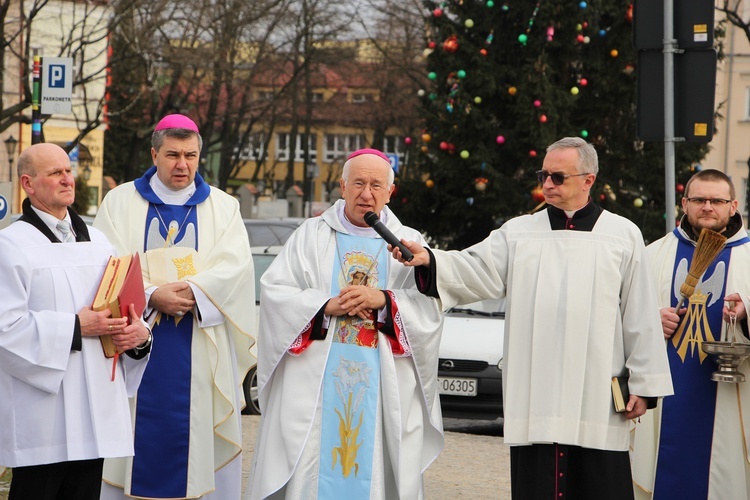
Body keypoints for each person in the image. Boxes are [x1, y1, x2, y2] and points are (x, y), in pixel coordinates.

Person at [390, 137, 674, 500]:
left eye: (558, 176)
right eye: (543, 175)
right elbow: (475, 268)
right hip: (536, 388)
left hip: (597, 390)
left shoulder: (622, 235)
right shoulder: (519, 232)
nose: (547, 185)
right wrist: (430, 259)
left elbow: (641, 314)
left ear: (588, 180)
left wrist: (644, 385)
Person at [246, 149, 444, 499]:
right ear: (342, 186)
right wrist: (325, 304)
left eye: (375, 185)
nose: (366, 193)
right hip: (319, 379)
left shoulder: (407, 241)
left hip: (382, 381)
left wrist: (385, 300)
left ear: (389, 192)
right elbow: (275, 292)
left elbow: (430, 309)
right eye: (358, 183)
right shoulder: (312, 234)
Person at [94, 114, 256, 500]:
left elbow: (236, 268)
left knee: (196, 442)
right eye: (172, 155)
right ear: (154, 153)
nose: (182, 164)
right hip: (135, 341)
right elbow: (106, 261)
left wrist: (191, 293)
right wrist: (151, 296)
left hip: (199, 342)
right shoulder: (119, 202)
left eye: (190, 155)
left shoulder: (223, 206)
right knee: (133, 432)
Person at [0, 143, 151, 500]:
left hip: (94, 409)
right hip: (42, 415)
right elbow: (5, 329)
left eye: (68, 170)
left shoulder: (100, 243)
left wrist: (137, 336)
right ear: (28, 184)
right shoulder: (10, 245)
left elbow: (128, 311)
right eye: (55, 173)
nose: (67, 178)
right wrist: (75, 328)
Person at [631, 169, 750, 499]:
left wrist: (746, 314)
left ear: (733, 204)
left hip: (732, 397)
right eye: (699, 199)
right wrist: (651, 321)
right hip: (666, 395)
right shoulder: (653, 255)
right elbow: (620, 315)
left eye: (717, 200)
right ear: (684, 203)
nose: (708, 207)